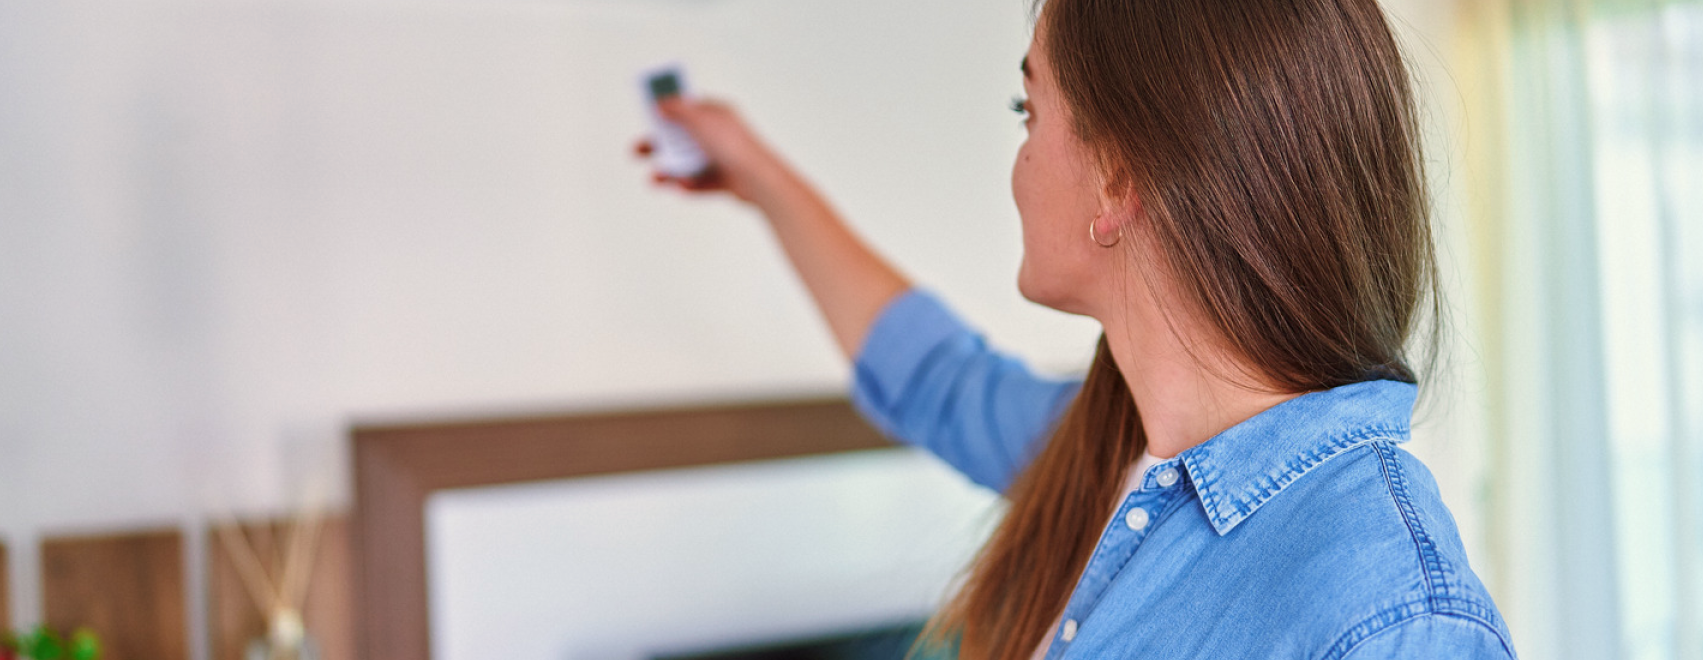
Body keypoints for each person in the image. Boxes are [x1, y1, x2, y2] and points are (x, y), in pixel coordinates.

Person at [633, 0, 1514, 657]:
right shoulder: (1107, 449)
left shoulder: (1400, 618)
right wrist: (761, 179)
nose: (1019, 161)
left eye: (1031, 113)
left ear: (1118, 181)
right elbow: (935, 379)